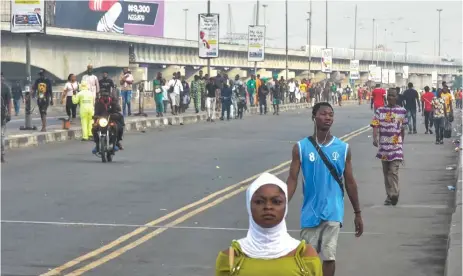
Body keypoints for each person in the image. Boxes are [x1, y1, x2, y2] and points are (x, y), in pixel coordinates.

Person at [286, 102, 363, 276]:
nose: (328, 117)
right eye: (323, 114)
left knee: (329, 257)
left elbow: (350, 182)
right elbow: (292, 178)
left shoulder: (343, 148)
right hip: (310, 211)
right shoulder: (300, 147)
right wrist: (283, 203)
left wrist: (357, 213)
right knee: (308, 259)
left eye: (331, 114)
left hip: (333, 211)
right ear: (314, 117)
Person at [215, 172, 323, 276]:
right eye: (259, 202)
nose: (268, 207)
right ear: (249, 206)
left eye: (276, 202)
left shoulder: (305, 256)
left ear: (285, 206)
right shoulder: (231, 257)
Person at [371, 88, 408, 206]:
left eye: (393, 95)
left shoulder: (402, 111)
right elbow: (375, 125)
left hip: (396, 147)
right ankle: (389, 195)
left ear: (397, 97)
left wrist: (401, 144)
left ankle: (395, 194)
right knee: (386, 173)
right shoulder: (380, 111)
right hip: (384, 147)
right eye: (389, 95)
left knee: (393, 171)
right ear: (386, 97)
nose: (391, 97)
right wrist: (375, 137)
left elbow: (403, 130)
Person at [1, 73, 12, 163]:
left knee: (1, 136)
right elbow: (9, 102)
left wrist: (9, 113)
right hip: (3, 115)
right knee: (2, 136)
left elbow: (9, 102)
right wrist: (9, 113)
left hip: (2, 116)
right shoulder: (6, 87)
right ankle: (2, 155)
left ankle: (2, 154)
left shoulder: (6, 88)